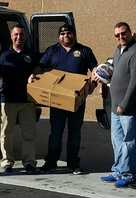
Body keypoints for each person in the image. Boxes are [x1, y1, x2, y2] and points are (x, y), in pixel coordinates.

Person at [30, 24, 98, 174]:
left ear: (73, 34)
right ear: (58, 36)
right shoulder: (52, 50)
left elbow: (95, 69)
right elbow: (40, 66)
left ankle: (73, 163)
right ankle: (51, 162)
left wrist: (93, 84)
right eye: (62, 34)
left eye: (68, 33)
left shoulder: (84, 50)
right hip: (57, 101)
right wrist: (33, 75)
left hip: (76, 101)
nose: (65, 36)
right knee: (56, 132)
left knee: (75, 132)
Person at [99, 22, 136, 187]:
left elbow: (134, 82)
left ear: (130, 32)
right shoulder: (118, 50)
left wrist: (125, 104)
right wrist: (101, 73)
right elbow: (113, 70)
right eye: (117, 35)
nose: (121, 37)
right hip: (115, 107)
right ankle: (118, 171)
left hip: (127, 108)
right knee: (117, 141)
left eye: (123, 33)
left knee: (128, 142)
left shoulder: (134, 52)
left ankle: (128, 174)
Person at [0, 24, 37, 174]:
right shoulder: (4, 56)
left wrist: (35, 72)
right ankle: (7, 161)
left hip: (27, 100)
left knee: (29, 134)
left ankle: (29, 162)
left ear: (25, 36)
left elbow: (39, 69)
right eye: (16, 34)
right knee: (6, 133)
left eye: (21, 35)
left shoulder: (31, 55)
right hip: (8, 100)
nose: (19, 37)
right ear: (11, 36)